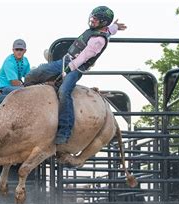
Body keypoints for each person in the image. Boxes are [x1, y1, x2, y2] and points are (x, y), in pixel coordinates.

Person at [24, 6, 127, 144]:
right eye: (93, 17)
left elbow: (83, 57)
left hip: (75, 68)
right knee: (34, 74)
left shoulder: (98, 40)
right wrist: (114, 27)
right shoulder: (102, 31)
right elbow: (108, 31)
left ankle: (65, 131)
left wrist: (67, 70)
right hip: (65, 61)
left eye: (96, 19)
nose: (92, 21)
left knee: (64, 92)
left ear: (103, 22)